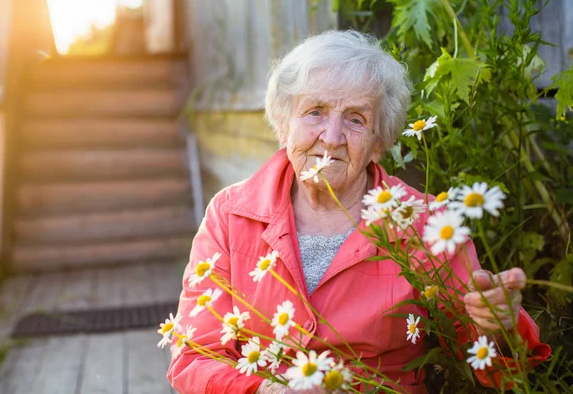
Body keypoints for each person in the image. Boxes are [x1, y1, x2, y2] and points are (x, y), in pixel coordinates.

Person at [166, 30, 550, 394]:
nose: (331, 138)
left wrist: (500, 329)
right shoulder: (231, 215)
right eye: (315, 112)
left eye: (355, 119)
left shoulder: (426, 223)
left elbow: (493, 367)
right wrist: (264, 388)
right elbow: (193, 354)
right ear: (283, 125)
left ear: (379, 142)